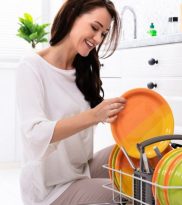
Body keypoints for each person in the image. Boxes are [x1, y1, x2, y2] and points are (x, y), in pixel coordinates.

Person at [15, 0, 125, 204]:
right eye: (95, 28)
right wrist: (94, 116)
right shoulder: (31, 68)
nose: (98, 39)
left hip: (78, 170)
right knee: (127, 193)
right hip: (49, 189)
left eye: (103, 33)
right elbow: (34, 134)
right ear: (72, 14)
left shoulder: (83, 69)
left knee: (134, 152)